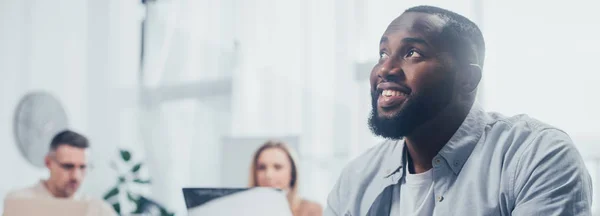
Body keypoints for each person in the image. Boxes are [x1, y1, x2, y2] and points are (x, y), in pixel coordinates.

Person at [324, 5, 592, 216]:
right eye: (383, 53)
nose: (385, 69)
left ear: (467, 79)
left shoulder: (536, 156)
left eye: (413, 52)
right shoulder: (357, 178)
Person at [4, 130, 116, 215]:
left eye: (82, 167)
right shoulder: (19, 202)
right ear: (48, 163)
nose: (76, 176)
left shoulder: (99, 210)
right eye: (68, 166)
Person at [249, 140, 322, 216]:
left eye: (277, 167)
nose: (268, 175)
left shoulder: (312, 210)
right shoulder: (246, 209)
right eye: (262, 167)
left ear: (292, 173)